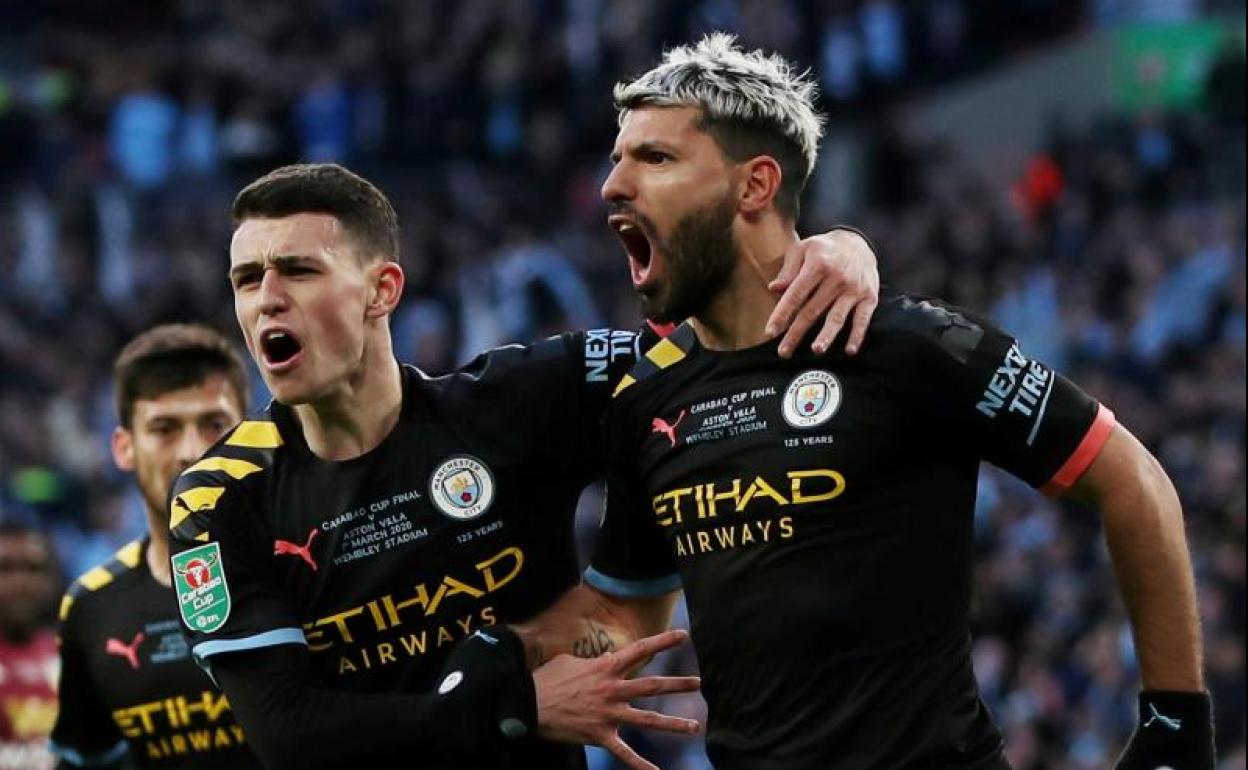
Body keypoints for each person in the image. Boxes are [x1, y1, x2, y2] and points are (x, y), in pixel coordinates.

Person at [524, 33, 1215, 770]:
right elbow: (625, 615)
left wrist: (1176, 721)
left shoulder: (909, 347)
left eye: (654, 158)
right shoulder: (646, 399)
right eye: (617, 158)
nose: (612, 185)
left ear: (754, 185)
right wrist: (496, 653)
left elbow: (1131, 482)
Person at [166, 162, 881, 770]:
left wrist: (842, 251)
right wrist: (518, 707)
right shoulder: (219, 498)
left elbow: (710, 353)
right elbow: (290, 735)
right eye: (247, 278)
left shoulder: (516, 403)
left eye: (297, 270)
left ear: (382, 290)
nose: (267, 299)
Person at [49, 324, 259, 769]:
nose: (192, 450)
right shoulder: (91, 608)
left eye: (214, 423)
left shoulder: (311, 569)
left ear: (248, 434)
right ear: (124, 448)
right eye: (165, 428)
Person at [0, 522, 60, 770]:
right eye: (5, 569)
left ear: (51, 578)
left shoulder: (75, 658)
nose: (21, 582)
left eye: (33, 569)